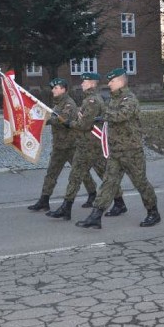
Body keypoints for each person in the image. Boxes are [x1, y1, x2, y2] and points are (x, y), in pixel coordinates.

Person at [76, 68, 160, 229]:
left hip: (131, 151)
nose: (109, 83)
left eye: (112, 81)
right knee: (108, 183)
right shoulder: (113, 99)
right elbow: (109, 117)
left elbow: (121, 116)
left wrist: (102, 113)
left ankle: (153, 212)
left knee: (141, 183)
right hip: (116, 152)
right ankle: (95, 216)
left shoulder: (130, 99)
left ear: (120, 82)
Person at [46, 72, 125, 220]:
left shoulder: (92, 101)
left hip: (91, 145)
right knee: (83, 175)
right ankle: (67, 207)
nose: (82, 84)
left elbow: (84, 124)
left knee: (85, 176)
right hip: (87, 144)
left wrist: (70, 124)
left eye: (85, 81)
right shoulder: (89, 99)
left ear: (92, 83)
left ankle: (118, 203)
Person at [27, 78, 97, 211]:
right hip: (59, 146)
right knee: (51, 173)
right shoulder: (57, 104)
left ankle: (92, 194)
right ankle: (44, 200)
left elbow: (64, 120)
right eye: (53, 88)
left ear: (63, 89)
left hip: (71, 146)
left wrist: (46, 119)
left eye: (56, 88)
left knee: (81, 173)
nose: (53, 90)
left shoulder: (69, 104)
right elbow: (53, 117)